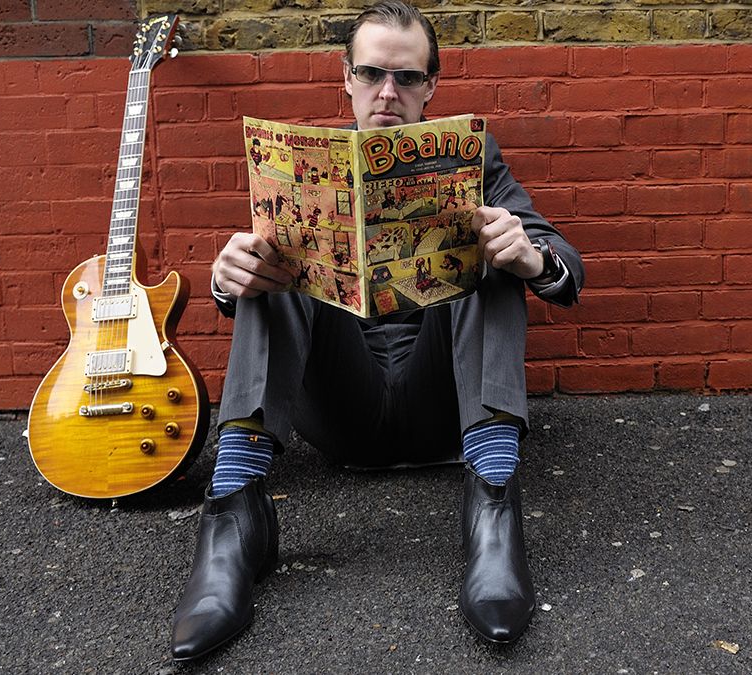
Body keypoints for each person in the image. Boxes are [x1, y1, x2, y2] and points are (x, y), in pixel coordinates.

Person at [170, 0, 585, 660]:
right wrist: (230, 279)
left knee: (497, 250)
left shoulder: (470, 154)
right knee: (274, 257)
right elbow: (247, 283)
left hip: (443, 405)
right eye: (370, 74)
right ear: (346, 77)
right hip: (342, 410)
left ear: (432, 86)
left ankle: (494, 512)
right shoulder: (306, 167)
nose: (387, 93)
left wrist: (529, 254)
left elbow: (565, 262)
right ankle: (233, 521)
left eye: (407, 78)